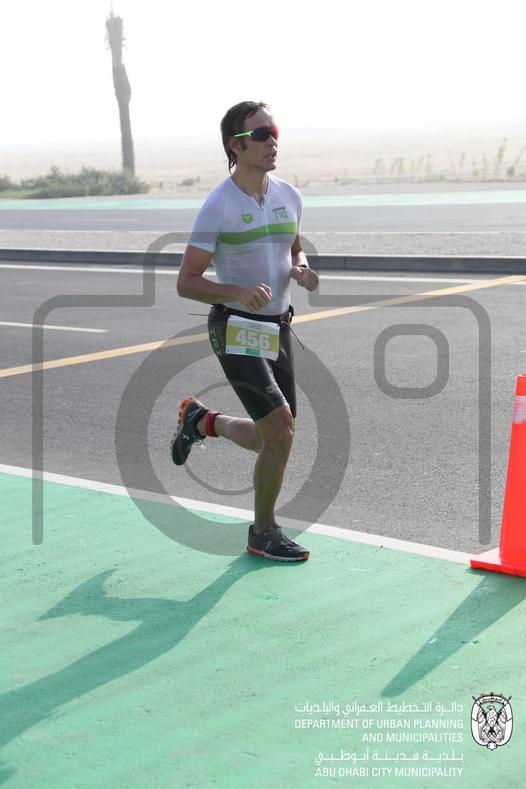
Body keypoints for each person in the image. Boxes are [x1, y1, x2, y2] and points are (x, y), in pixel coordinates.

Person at [171, 100, 319, 561]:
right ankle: (263, 532)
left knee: (274, 436)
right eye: (260, 135)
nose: (272, 141)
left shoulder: (290, 195)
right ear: (235, 146)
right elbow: (186, 282)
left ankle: (203, 421)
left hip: (277, 326)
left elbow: (294, 248)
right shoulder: (219, 206)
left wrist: (301, 268)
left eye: (274, 132)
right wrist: (237, 291)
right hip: (235, 326)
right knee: (279, 431)